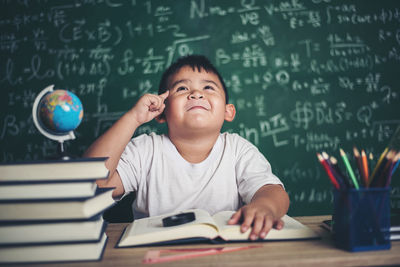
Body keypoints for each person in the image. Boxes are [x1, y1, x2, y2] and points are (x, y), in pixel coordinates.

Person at [84, 55, 289, 240]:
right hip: (153, 255)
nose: (196, 93)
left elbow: (271, 190)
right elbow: (92, 185)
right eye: (182, 88)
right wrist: (133, 118)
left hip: (225, 255)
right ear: (161, 113)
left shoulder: (237, 149)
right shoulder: (145, 149)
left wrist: (264, 207)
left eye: (208, 87)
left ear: (228, 111)